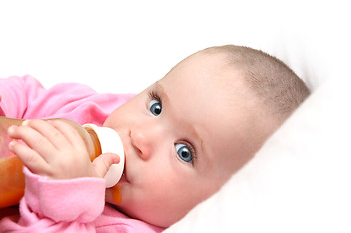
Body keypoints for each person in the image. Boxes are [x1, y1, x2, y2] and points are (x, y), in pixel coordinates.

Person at [0, 45, 310, 232]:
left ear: (216, 203)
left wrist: (65, 201)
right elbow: (27, 94)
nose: (140, 137)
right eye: (156, 106)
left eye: (184, 152)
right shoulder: (92, 112)